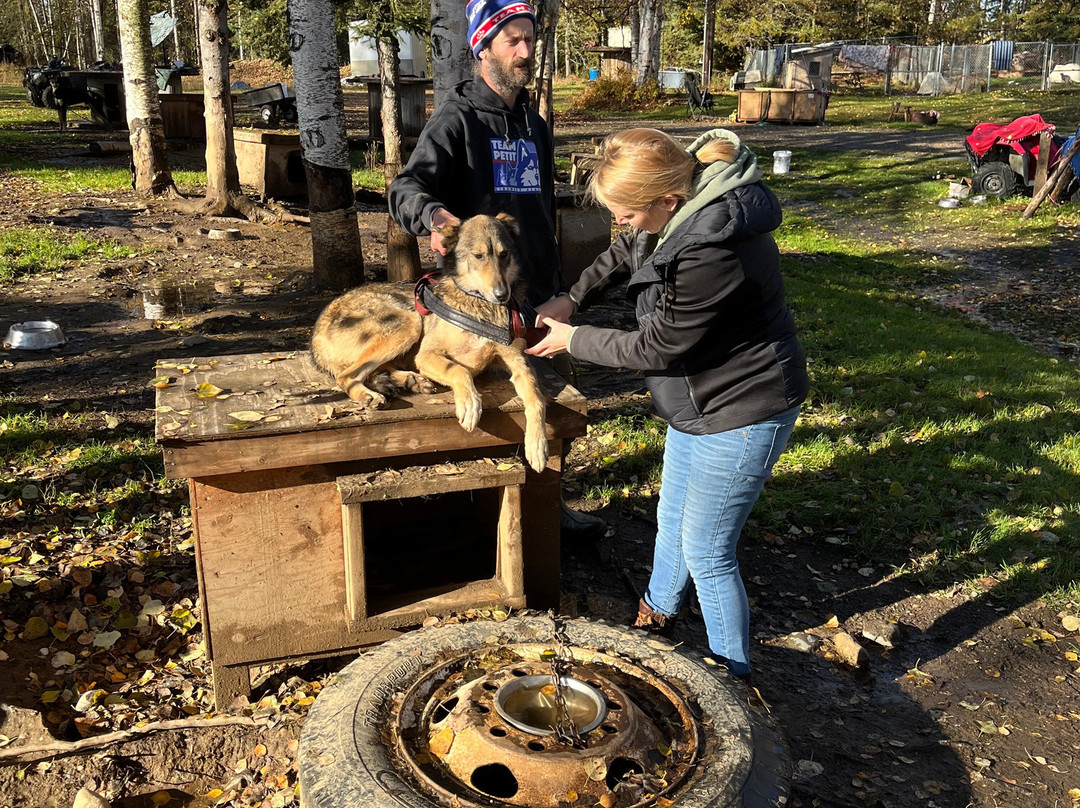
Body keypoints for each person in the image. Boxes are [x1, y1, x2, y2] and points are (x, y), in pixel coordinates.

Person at [527, 128, 809, 679]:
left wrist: (573, 339)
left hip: (743, 405)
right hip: (696, 396)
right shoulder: (676, 213)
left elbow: (657, 347)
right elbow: (627, 250)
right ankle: (657, 613)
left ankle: (732, 676)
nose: (621, 222)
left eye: (628, 212)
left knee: (707, 550)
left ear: (668, 201)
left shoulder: (710, 249)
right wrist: (572, 297)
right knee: (672, 515)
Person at [388, 0, 605, 538]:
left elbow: (540, 208)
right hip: (478, 305)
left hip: (539, 291)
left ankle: (548, 511)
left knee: (554, 400)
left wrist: (560, 283)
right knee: (491, 405)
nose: (525, 51)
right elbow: (405, 188)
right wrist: (433, 215)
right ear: (483, 47)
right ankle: (484, 517)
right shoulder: (456, 120)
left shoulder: (534, 123)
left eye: (530, 38)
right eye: (513, 40)